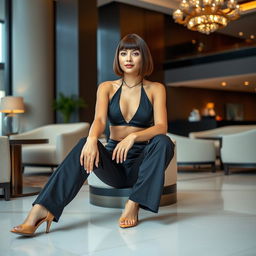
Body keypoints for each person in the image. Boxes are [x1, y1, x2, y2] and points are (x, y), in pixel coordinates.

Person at [10, 33, 175, 236]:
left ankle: (133, 203)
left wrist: (133, 137)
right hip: (114, 163)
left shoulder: (156, 89)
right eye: (124, 53)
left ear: (144, 57)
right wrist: (91, 139)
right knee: (83, 144)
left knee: (163, 141)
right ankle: (41, 210)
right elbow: (99, 120)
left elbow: (161, 126)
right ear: (118, 58)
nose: (129, 59)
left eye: (135, 53)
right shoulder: (106, 87)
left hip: (143, 163)